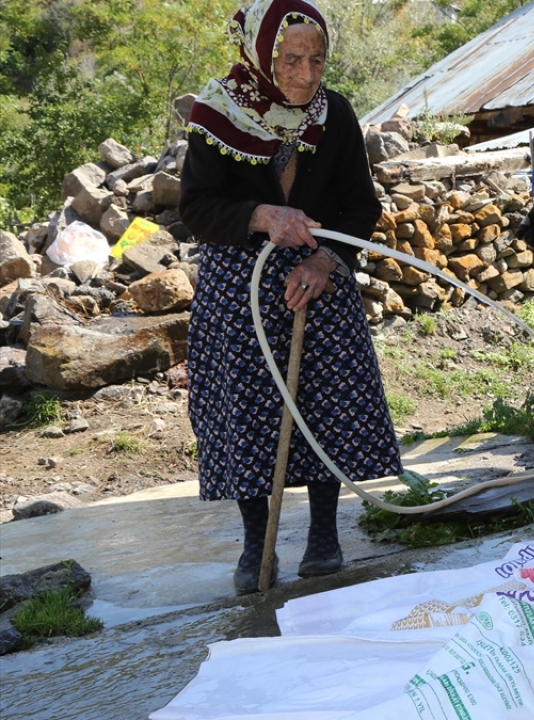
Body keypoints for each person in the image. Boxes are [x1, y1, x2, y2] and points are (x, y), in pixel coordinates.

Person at [179, 0, 401, 594]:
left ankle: (324, 536)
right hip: (240, 287)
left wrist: (326, 261)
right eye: (291, 60)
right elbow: (196, 207)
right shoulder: (218, 111)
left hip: (318, 277)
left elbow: (361, 206)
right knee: (249, 408)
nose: (306, 74)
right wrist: (262, 216)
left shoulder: (335, 114)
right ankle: (258, 543)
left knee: (328, 401)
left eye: (317, 59)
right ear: (261, 55)